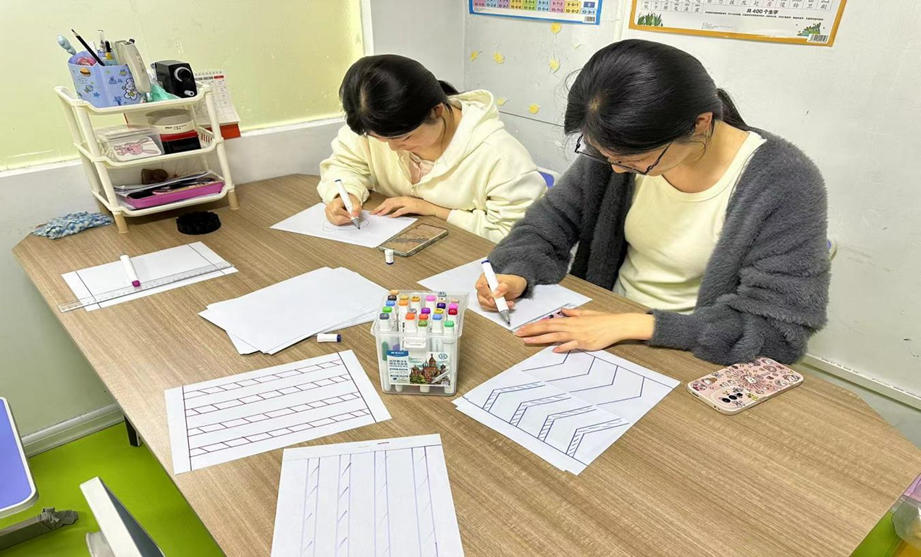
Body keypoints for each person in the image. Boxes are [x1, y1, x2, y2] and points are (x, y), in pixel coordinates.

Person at [475, 39, 829, 365]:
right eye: (604, 155)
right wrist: (515, 271)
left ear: (700, 124)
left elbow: (777, 329)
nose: (616, 169)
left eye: (635, 162)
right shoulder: (619, 150)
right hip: (602, 319)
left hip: (693, 349)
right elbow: (548, 222)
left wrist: (636, 324)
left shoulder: (784, 182)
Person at [317, 54, 546, 242]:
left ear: (436, 111)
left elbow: (516, 236)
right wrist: (344, 194)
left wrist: (438, 211)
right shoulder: (376, 124)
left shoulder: (500, 155)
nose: (393, 148)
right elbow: (344, 165)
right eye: (379, 139)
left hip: (471, 263)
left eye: (404, 137)